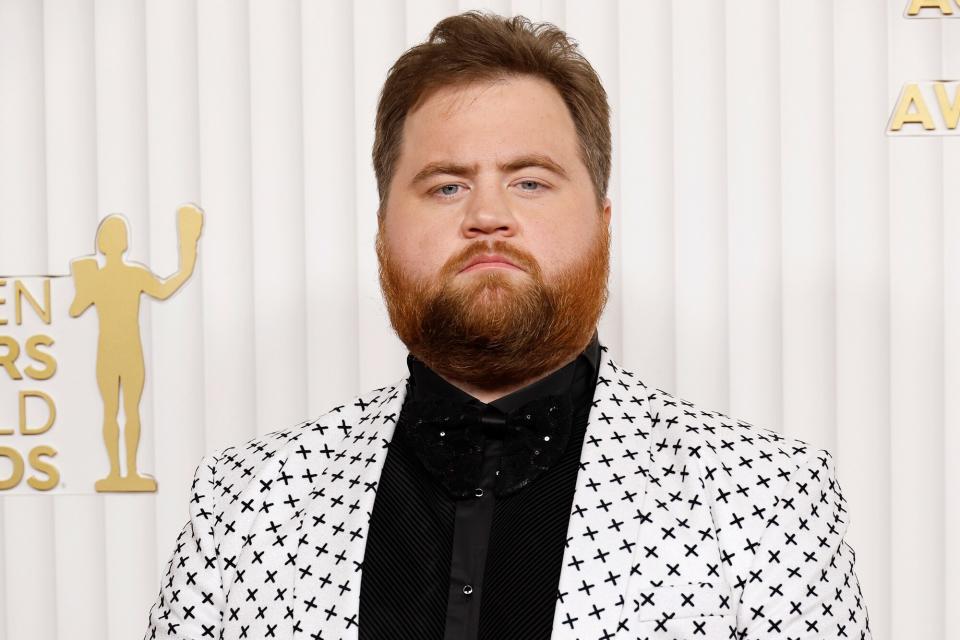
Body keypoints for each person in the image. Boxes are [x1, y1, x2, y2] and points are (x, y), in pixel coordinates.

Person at [145, 12, 871, 640]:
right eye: (447, 185)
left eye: (529, 181)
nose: (487, 216)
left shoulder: (768, 499)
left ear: (603, 226)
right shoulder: (245, 502)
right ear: (381, 232)